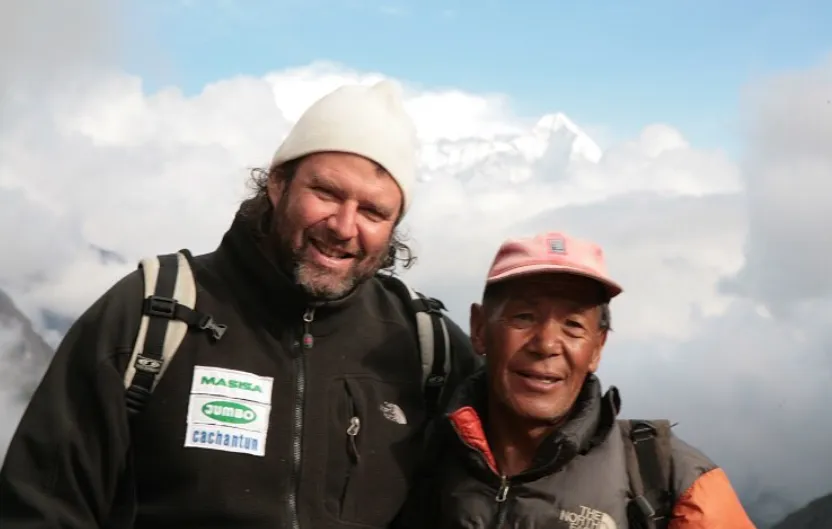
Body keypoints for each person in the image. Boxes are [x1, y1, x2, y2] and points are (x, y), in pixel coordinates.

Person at [0, 80, 481, 529]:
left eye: (374, 211)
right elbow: (41, 507)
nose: (343, 225)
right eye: (327, 192)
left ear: (394, 226)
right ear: (277, 184)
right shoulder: (156, 313)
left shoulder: (425, 348)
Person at [394, 231, 756, 529]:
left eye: (573, 326)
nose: (547, 344)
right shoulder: (412, 457)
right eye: (523, 316)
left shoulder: (670, 480)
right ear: (479, 330)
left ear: (597, 348)